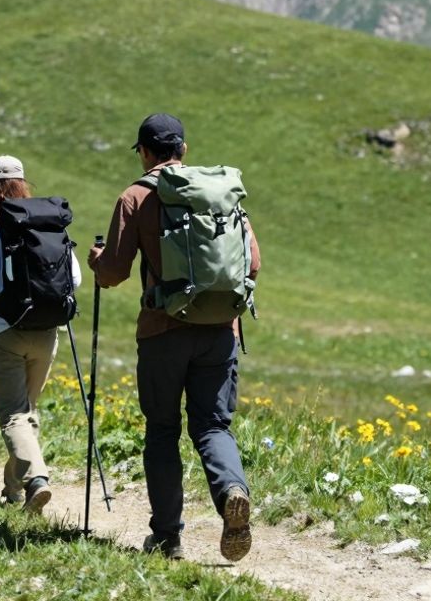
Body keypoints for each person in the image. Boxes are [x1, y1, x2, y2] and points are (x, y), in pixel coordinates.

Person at [88, 113, 260, 562]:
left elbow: (114, 272)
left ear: (145, 152)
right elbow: (253, 262)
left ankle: (168, 537)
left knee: (163, 431)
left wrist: (97, 260)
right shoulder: (218, 191)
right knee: (213, 425)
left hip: (163, 332)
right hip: (221, 330)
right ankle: (231, 493)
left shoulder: (136, 195)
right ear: (183, 150)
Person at [0, 155, 81, 514]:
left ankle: (36, 479)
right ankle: (13, 490)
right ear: (24, 183)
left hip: (4, 329)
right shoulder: (49, 219)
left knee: (12, 415)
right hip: (48, 329)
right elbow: (76, 279)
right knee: (27, 411)